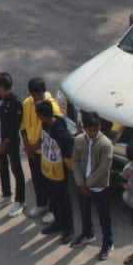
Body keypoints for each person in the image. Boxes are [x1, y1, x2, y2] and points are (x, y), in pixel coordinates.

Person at [0, 72, 29, 216]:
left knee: (16, 169)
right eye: (4, 90)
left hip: (10, 142)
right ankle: (6, 195)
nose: (6, 94)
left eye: (8, 91)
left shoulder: (16, 103)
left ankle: (20, 200)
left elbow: (14, 128)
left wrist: (2, 146)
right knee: (2, 167)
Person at [73, 112, 116, 259]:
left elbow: (104, 168)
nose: (92, 133)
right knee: (84, 212)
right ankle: (87, 234)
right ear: (84, 128)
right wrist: (80, 183)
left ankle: (108, 243)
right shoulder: (79, 140)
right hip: (82, 185)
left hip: (99, 187)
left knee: (104, 216)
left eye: (95, 129)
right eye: (89, 130)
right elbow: (76, 162)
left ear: (99, 127)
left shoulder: (106, 144)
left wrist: (88, 184)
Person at [37, 98, 77, 243]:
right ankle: (57, 224)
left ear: (42, 116)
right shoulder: (45, 124)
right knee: (54, 200)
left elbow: (68, 154)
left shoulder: (61, 132)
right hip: (49, 170)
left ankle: (69, 230)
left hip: (60, 174)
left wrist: (71, 172)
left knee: (63, 201)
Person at [20, 77, 60, 219]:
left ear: (44, 92)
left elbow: (52, 132)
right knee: (37, 179)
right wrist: (27, 145)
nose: (37, 98)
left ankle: (53, 210)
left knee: (50, 182)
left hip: (46, 152)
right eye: (34, 95)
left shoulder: (52, 107)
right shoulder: (27, 103)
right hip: (32, 150)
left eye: (39, 95)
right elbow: (23, 127)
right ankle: (41, 204)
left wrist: (35, 146)